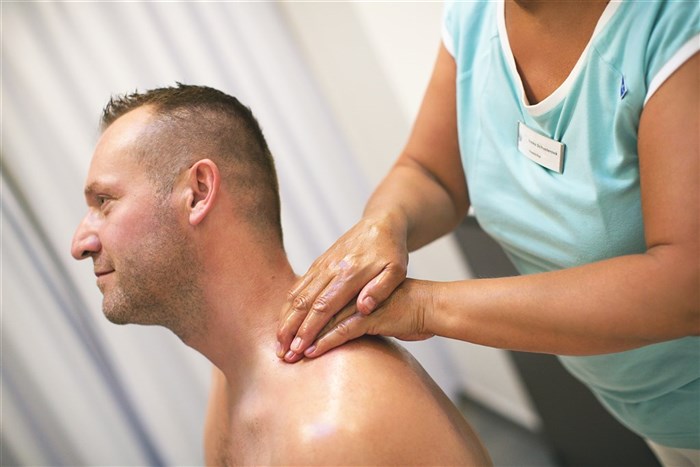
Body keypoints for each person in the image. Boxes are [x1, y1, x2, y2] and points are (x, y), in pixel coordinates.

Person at [276, 1, 700, 465]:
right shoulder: (474, 16)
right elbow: (431, 173)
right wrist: (385, 222)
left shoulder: (673, 22)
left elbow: (685, 288)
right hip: (649, 414)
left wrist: (425, 308)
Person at [70, 84, 492, 466]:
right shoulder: (230, 376)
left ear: (198, 193)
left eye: (104, 201)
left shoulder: (336, 429)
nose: (79, 243)